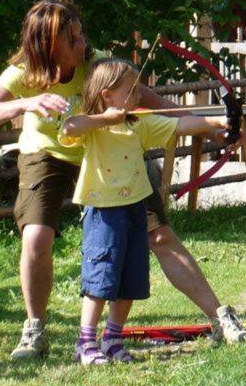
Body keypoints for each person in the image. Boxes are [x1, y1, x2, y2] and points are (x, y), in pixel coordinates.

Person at [0, 0, 246, 360]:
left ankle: (220, 317)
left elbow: (144, 99)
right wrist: (24, 104)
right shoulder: (22, 73)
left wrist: (211, 129)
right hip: (48, 152)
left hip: (106, 151)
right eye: (74, 39)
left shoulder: (94, 61)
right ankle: (35, 330)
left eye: (81, 35)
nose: (84, 44)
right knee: (36, 235)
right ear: (50, 46)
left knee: (159, 233)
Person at [61, 58, 232, 365]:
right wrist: (105, 119)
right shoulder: (94, 128)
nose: (138, 96)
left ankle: (112, 337)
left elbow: (180, 124)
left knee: (130, 276)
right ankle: (85, 341)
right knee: (101, 276)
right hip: (103, 213)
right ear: (107, 96)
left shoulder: (138, 125)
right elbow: (70, 127)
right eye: (131, 91)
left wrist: (217, 123)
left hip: (134, 210)